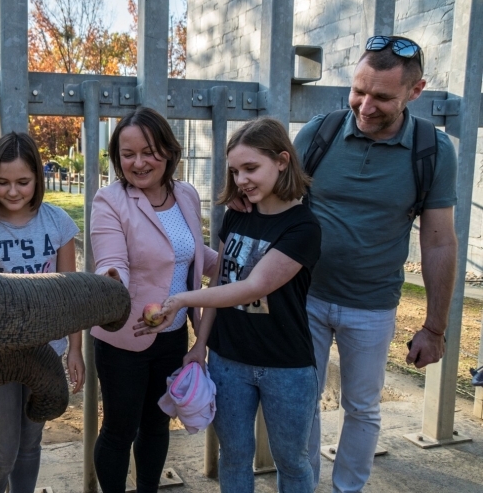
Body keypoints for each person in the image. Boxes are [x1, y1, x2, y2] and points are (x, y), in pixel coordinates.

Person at [289, 36, 457, 492]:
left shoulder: (433, 151)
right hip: (306, 297)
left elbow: (440, 242)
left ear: (414, 92)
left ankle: (349, 488)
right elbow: (279, 209)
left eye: (382, 96)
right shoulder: (317, 134)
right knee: (300, 402)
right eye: (358, 91)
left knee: (362, 407)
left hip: (373, 305)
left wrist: (435, 327)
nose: (365, 106)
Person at [138, 117, 322, 492]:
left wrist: (181, 300)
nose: (241, 180)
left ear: (282, 161)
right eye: (236, 171)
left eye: (251, 168)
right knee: (234, 456)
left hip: (286, 366)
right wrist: (200, 345)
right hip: (228, 361)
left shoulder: (303, 227)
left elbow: (251, 287)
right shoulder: (237, 213)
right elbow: (220, 280)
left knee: (292, 461)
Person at [90, 107, 219, 493]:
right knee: (119, 429)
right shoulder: (110, 200)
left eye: (148, 151)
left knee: (157, 423)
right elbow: (113, 260)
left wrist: (249, 253)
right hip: (125, 335)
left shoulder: (187, 195)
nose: (139, 162)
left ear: (167, 150)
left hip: (174, 336)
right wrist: (113, 282)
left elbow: (197, 255)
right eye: (128, 155)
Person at [0, 131, 84, 493]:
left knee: (30, 446)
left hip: (45, 351)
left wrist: (75, 349)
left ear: (38, 179)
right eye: (3, 182)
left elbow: (71, 295)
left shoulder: (58, 223)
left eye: (22, 182)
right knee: (1, 453)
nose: (12, 191)